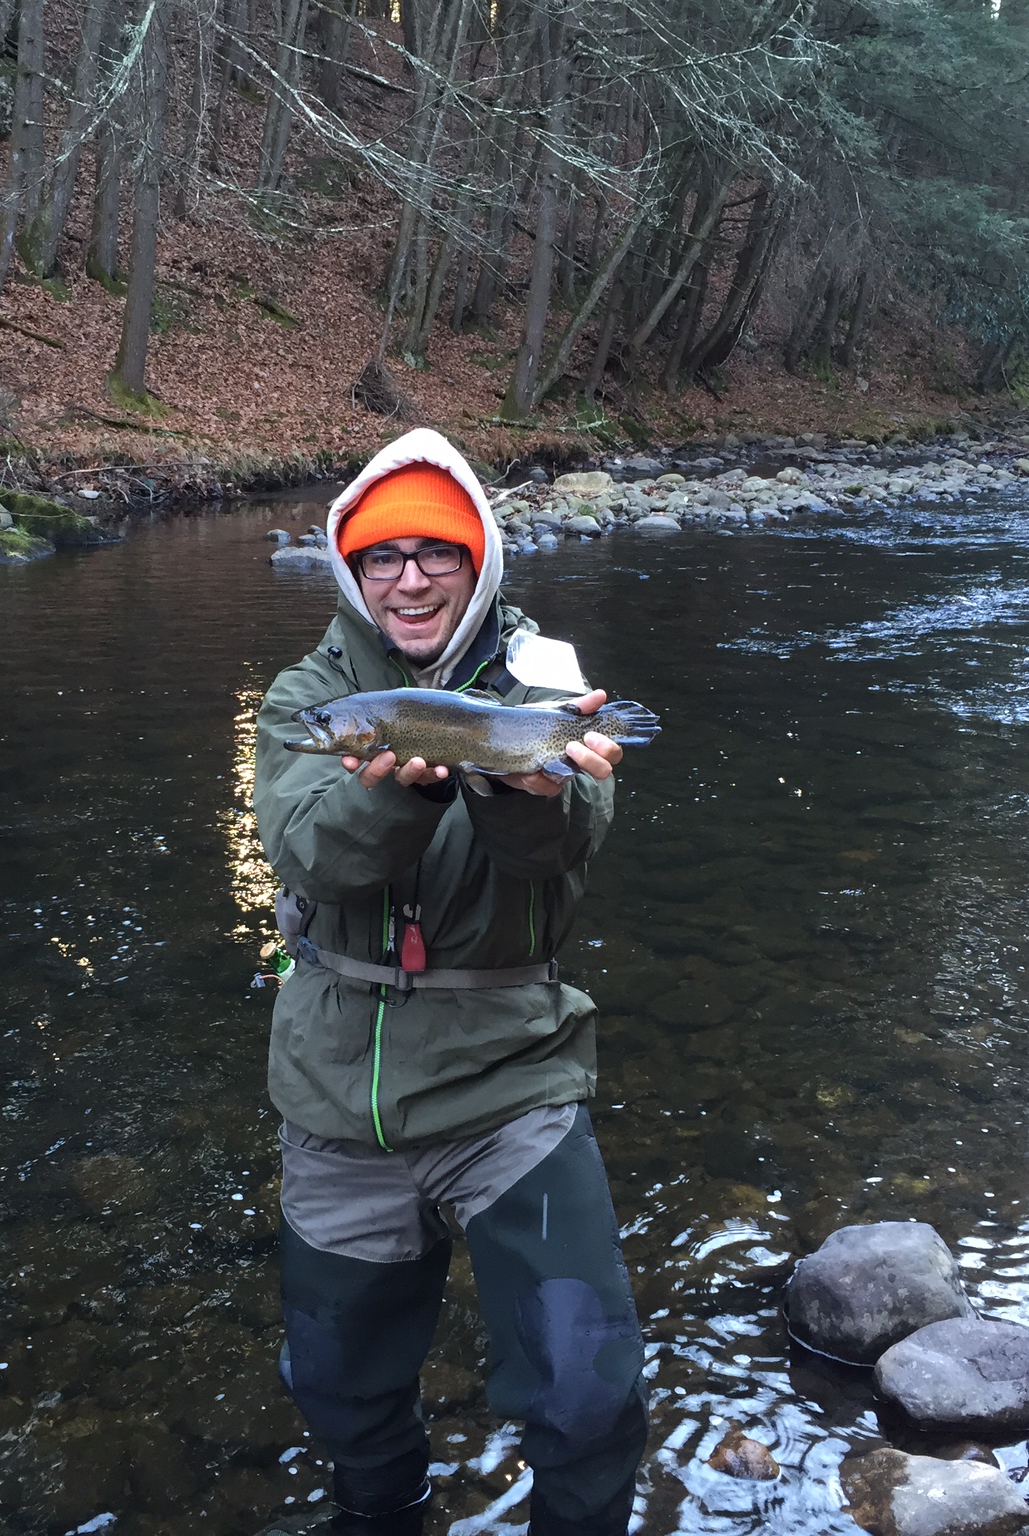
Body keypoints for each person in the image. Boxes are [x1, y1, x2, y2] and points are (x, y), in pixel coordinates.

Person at [251, 428, 647, 1536]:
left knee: (587, 1386)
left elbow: (562, 850)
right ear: (350, 571)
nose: (411, 578)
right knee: (337, 1386)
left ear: (479, 562)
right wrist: (402, 790)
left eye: (437, 552)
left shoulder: (545, 680)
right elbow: (308, 857)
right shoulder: (306, 697)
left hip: (510, 1074)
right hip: (337, 1085)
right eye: (383, 556)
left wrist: (528, 789)